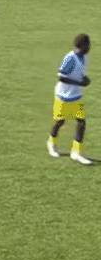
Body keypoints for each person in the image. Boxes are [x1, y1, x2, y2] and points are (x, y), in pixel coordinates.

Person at [49, 34, 93, 164]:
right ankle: (51, 143)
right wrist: (79, 83)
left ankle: (76, 152)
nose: (89, 47)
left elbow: (77, 73)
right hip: (63, 95)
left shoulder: (84, 57)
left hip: (76, 96)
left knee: (81, 122)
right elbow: (61, 77)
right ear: (81, 45)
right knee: (60, 121)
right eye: (87, 44)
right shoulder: (70, 57)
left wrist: (84, 78)